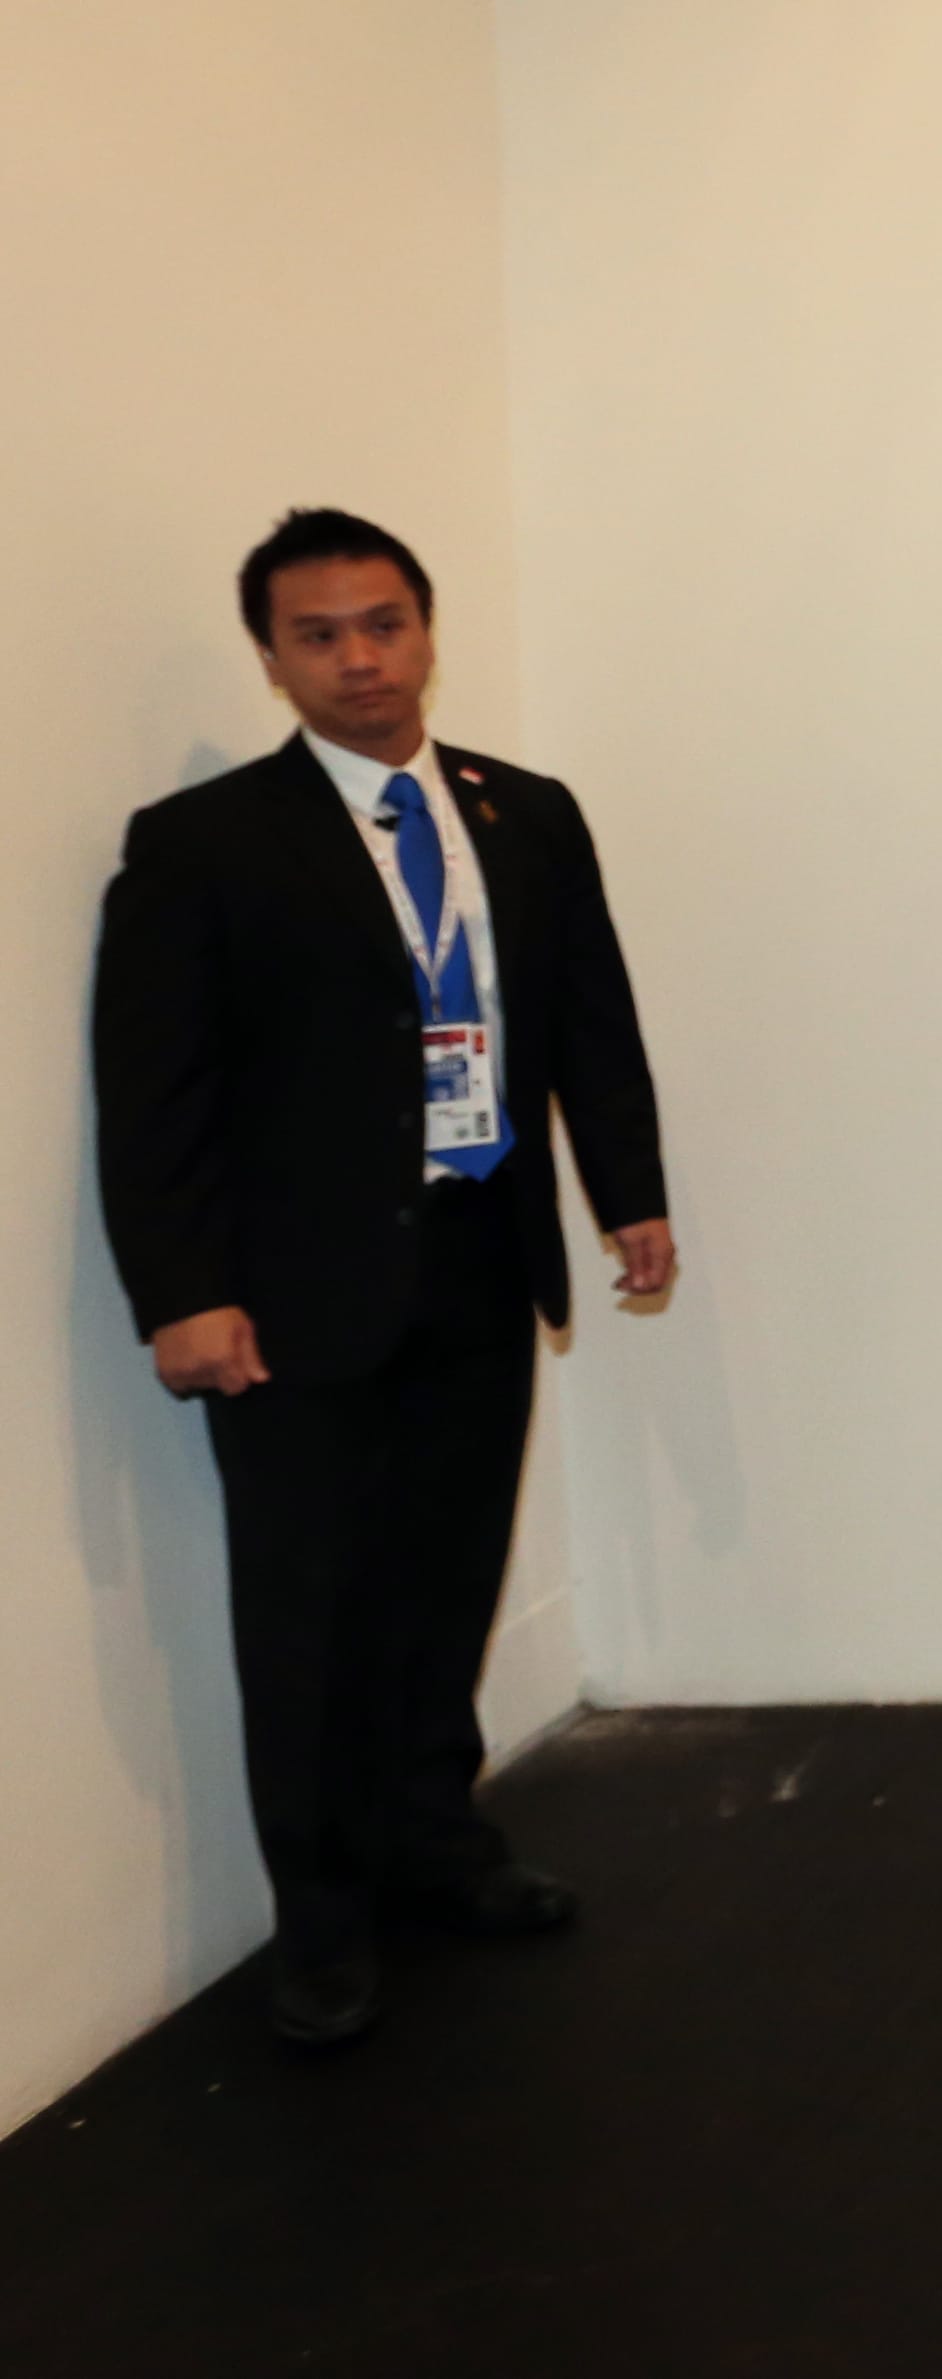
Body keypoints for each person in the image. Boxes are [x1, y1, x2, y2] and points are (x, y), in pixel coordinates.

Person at [92, 508, 673, 2050]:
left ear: (425, 628)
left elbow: (588, 1021)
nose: (360, 659)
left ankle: (438, 1852)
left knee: (441, 1585)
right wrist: (182, 1295)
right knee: (306, 1614)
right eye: (320, 635)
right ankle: (321, 1918)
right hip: (293, 1301)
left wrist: (631, 1200)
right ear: (273, 659)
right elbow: (154, 1099)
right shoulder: (204, 846)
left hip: (482, 1260)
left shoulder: (524, 813)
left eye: (383, 624)